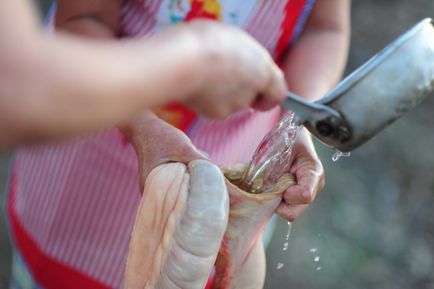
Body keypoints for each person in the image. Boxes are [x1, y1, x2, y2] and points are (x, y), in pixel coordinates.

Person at [4, 0, 351, 288]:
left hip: (233, 159)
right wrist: (144, 123)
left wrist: (298, 123)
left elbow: (324, 29)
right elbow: (74, 27)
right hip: (90, 160)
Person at [0, 1, 286, 147]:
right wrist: (197, 62)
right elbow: (14, 87)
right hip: (83, 157)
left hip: (229, 149)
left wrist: (295, 128)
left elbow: (326, 30)